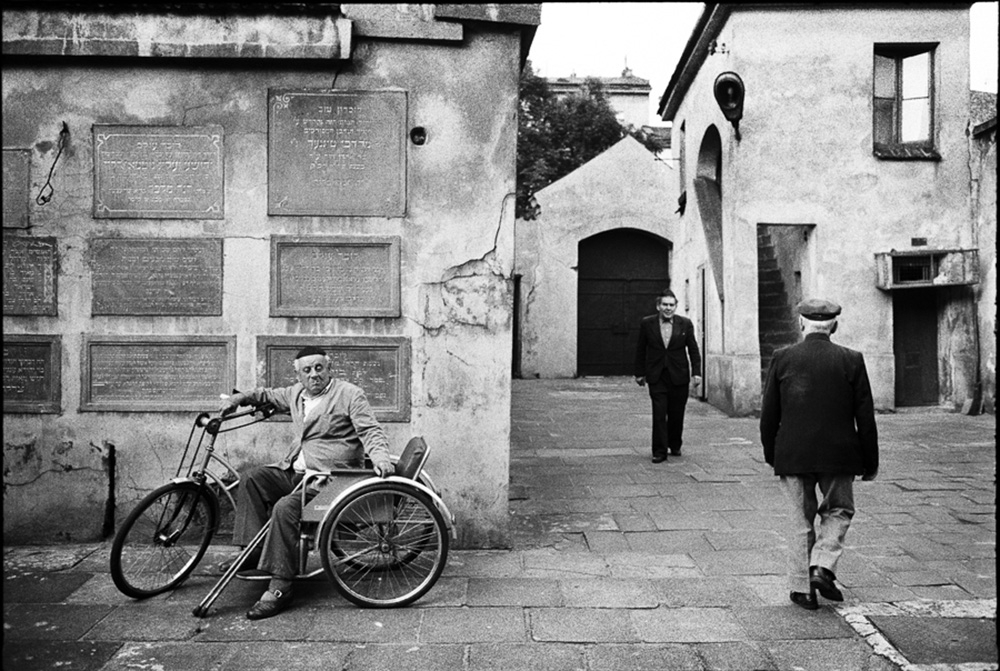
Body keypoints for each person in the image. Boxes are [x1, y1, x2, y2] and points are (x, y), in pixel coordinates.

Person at [218, 345, 394, 620]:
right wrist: (239, 399)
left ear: (329, 368)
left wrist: (381, 457)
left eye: (319, 368)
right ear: (299, 375)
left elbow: (370, 430)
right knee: (252, 478)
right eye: (307, 370)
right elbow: (266, 394)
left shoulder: (349, 394)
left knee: (285, 508)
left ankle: (280, 586)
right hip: (296, 472)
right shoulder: (296, 393)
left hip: (328, 480)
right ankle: (253, 551)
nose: (314, 375)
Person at [760, 298, 879, 610]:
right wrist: (870, 462)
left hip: (793, 453)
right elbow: (865, 416)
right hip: (839, 455)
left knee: (800, 519)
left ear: (801, 324)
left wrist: (772, 453)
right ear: (834, 326)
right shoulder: (851, 359)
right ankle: (823, 567)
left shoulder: (782, 357)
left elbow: (769, 414)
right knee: (839, 511)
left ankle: (802, 589)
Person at [634, 288, 702, 463]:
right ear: (658, 306)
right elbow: (641, 349)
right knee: (659, 413)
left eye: (671, 305)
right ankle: (659, 451)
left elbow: (693, 350)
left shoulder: (685, 324)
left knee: (676, 413)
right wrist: (639, 373)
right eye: (665, 304)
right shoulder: (647, 323)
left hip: (679, 376)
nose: (668, 308)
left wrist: (697, 372)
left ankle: (675, 444)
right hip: (656, 376)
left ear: (676, 306)